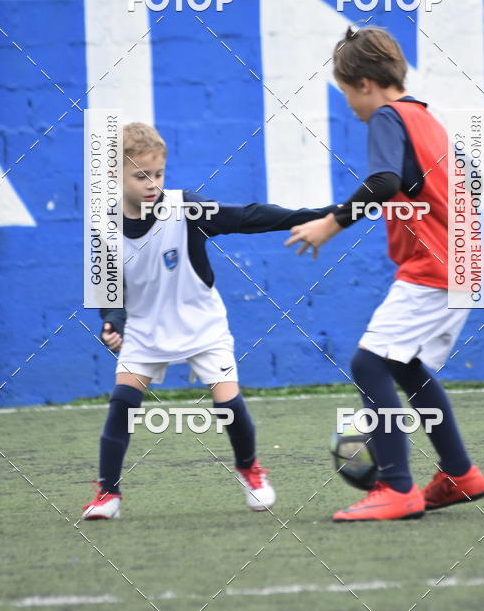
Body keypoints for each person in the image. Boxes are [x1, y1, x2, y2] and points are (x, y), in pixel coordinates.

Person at [82, 122, 334, 520]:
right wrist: (114, 323)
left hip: (202, 324)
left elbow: (247, 217)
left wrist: (321, 216)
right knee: (122, 404)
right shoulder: (103, 227)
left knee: (228, 403)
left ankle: (249, 469)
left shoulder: (185, 208)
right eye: (141, 175)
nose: (152, 184)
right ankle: (107, 494)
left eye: (159, 174)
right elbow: (109, 297)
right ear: (115, 176)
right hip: (146, 329)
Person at [285, 26, 484, 522]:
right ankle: (460, 473)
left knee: (367, 364)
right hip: (463, 265)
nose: (350, 107)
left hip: (432, 267)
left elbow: (383, 182)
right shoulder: (425, 117)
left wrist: (330, 225)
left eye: (346, 93)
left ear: (365, 85)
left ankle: (397, 487)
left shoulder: (386, 117)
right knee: (405, 364)